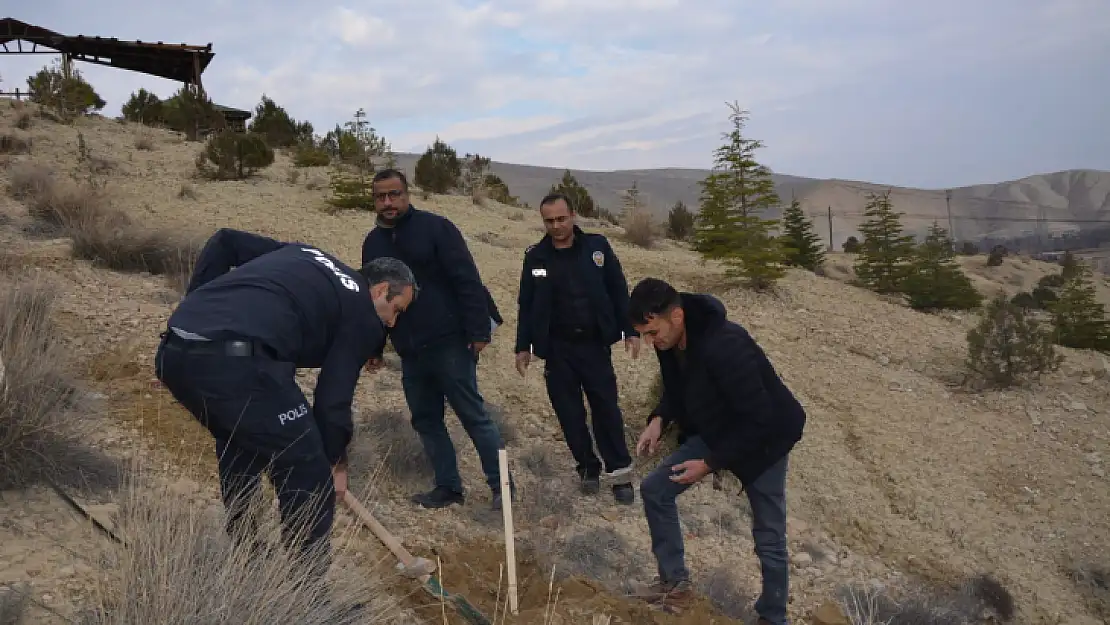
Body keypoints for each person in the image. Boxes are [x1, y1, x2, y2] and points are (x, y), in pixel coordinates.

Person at [154, 227, 417, 576]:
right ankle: (306, 595)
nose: (391, 322)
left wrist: (195, 307)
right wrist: (334, 463)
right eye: (395, 310)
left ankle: (248, 554)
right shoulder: (362, 311)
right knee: (308, 472)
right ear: (381, 290)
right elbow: (332, 401)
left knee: (244, 436)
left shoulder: (308, 255)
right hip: (239, 363)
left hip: (175, 351)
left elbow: (225, 241)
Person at [627, 277, 806, 622]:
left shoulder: (726, 345)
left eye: (652, 333)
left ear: (676, 316)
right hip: (716, 427)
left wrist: (709, 464)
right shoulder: (671, 342)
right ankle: (675, 586)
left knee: (768, 533)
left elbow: (759, 419)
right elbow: (677, 388)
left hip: (765, 438)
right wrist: (659, 419)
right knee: (655, 490)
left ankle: (772, 616)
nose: (650, 342)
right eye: (644, 335)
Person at [360, 168, 513, 511]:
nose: (387, 202)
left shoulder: (436, 228)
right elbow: (377, 299)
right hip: (410, 349)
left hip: (450, 342)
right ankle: (448, 487)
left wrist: (477, 331)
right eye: (380, 196)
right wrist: (375, 347)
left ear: (406, 194)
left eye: (394, 194)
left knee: (474, 416)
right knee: (426, 420)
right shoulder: (373, 243)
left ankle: (502, 486)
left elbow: (467, 279)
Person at [514, 192, 640, 504]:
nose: (556, 225)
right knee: (569, 412)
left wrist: (630, 330)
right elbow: (526, 304)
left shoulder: (597, 248)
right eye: (549, 221)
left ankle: (620, 473)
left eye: (561, 218)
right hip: (557, 349)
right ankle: (587, 468)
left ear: (573, 215)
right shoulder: (536, 258)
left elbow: (618, 289)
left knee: (606, 408)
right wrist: (522, 346)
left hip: (595, 345)